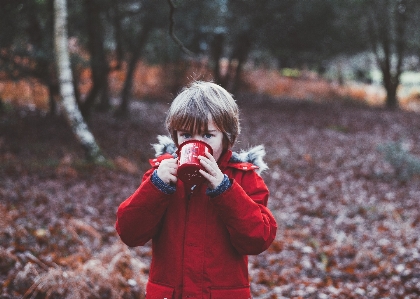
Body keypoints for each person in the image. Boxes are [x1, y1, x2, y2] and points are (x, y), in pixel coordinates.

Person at [116, 81, 277, 299]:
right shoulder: (162, 175)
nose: (195, 142)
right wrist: (157, 186)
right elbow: (129, 233)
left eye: (207, 135)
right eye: (186, 135)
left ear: (227, 137)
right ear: (175, 137)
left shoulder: (243, 178)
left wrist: (225, 189)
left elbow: (258, 239)